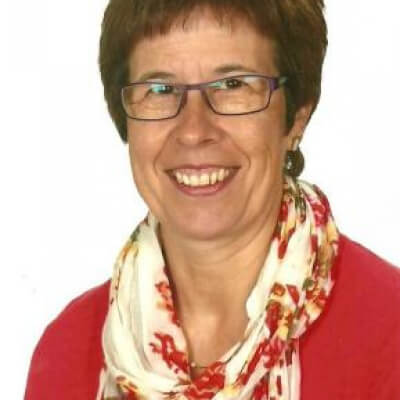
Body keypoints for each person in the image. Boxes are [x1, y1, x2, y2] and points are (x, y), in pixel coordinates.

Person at [25, 0, 400, 399]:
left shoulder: (389, 334)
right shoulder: (67, 351)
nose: (193, 131)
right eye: (160, 89)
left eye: (233, 85)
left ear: (296, 117)